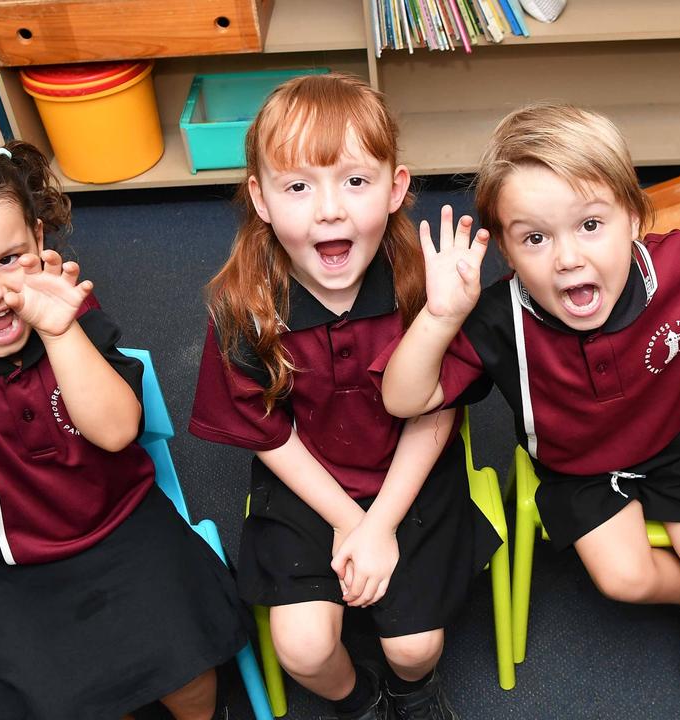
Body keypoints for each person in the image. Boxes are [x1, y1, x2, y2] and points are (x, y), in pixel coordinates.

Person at [379, 102, 680, 693]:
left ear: (634, 218)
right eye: (534, 238)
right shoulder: (496, 318)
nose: (568, 257)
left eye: (591, 225)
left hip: (675, 441)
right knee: (624, 578)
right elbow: (403, 399)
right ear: (504, 248)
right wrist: (440, 315)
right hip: (575, 466)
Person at [0, 140, 246, 720]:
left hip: (129, 531)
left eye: (8, 259)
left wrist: (64, 335)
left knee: (188, 670)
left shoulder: (68, 314)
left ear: (38, 243)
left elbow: (117, 433)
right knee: (68, 698)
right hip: (14, 568)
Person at [189, 73, 499, 720]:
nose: (329, 208)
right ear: (262, 200)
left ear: (395, 189)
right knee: (302, 649)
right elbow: (266, 431)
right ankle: (361, 703)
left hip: (409, 476)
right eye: (298, 186)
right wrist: (350, 523)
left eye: (354, 182)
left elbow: (436, 414)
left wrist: (382, 522)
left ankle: (409, 692)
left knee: (415, 649)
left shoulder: (427, 285)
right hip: (308, 481)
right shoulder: (243, 306)